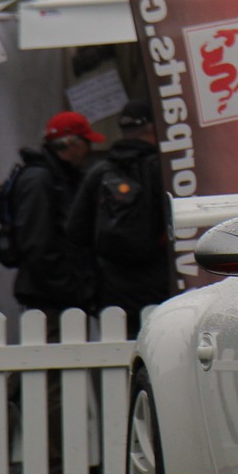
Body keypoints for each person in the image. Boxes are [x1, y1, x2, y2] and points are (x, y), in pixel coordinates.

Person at [66, 100, 171, 334]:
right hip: (159, 287)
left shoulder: (100, 172)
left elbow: (75, 232)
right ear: (154, 127)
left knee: (119, 351)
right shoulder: (166, 171)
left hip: (112, 291)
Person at [12, 111, 101, 314]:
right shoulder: (42, 180)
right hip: (50, 298)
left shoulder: (56, 177)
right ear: (71, 145)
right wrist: (73, 288)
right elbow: (37, 244)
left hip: (55, 294)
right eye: (87, 142)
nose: (90, 150)